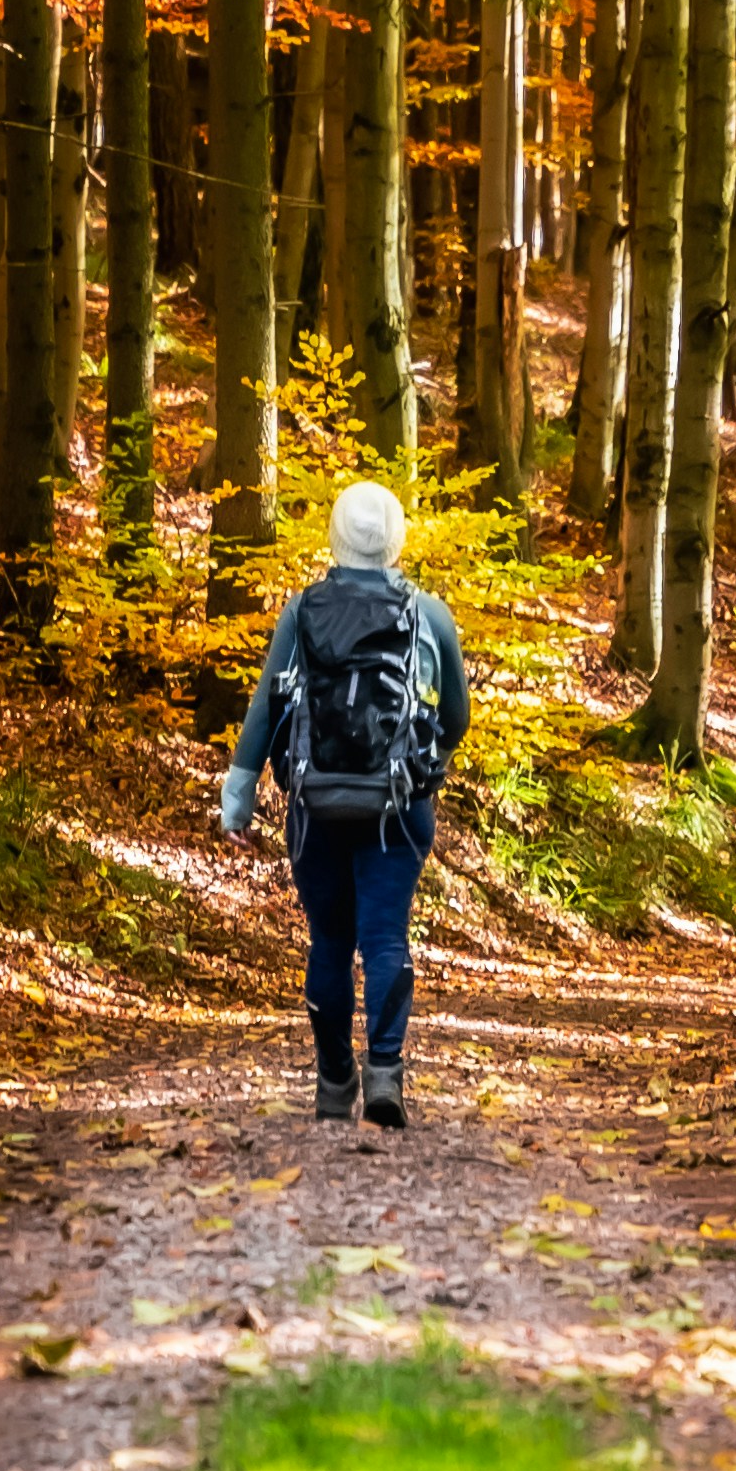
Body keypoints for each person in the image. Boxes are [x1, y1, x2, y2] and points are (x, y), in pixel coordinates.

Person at [216, 479, 470, 1126]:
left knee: (329, 941)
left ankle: (334, 1082)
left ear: (334, 534)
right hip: (398, 805)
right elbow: (457, 719)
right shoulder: (429, 613)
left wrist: (236, 802)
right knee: (384, 938)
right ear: (396, 538)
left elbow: (265, 710)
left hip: (315, 806)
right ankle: (384, 1072)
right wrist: (424, 762)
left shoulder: (302, 611)